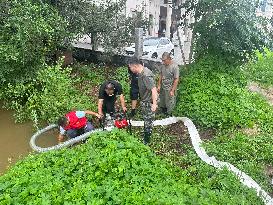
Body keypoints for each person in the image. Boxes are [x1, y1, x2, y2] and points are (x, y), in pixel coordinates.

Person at [128, 57, 158, 144]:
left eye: (130, 67)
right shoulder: (141, 72)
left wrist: (154, 104)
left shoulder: (146, 75)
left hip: (149, 102)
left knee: (148, 121)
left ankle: (146, 140)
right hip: (145, 100)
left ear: (135, 66)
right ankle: (146, 133)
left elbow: (154, 90)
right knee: (146, 118)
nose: (130, 69)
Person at [157, 52, 179, 116]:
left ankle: (169, 114)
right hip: (163, 86)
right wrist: (159, 85)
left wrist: (172, 90)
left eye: (164, 60)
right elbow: (160, 75)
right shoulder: (163, 65)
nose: (163, 62)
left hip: (170, 87)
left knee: (170, 101)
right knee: (162, 100)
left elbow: (176, 79)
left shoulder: (175, 66)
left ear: (169, 59)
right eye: (162, 60)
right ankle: (163, 111)